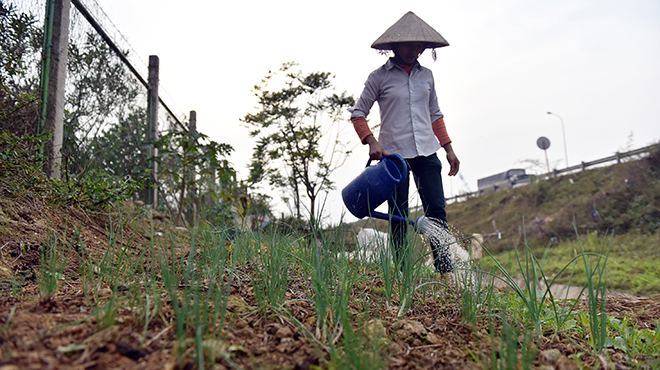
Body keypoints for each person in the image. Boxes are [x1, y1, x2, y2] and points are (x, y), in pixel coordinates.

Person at [349, 11, 460, 277]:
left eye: (419, 45)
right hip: (393, 157)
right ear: (395, 46)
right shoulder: (378, 77)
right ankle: (401, 274)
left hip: (427, 151)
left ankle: (446, 273)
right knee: (398, 214)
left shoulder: (427, 76)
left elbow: (435, 114)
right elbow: (358, 113)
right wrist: (371, 141)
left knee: (437, 212)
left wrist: (448, 148)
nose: (416, 50)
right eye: (410, 45)